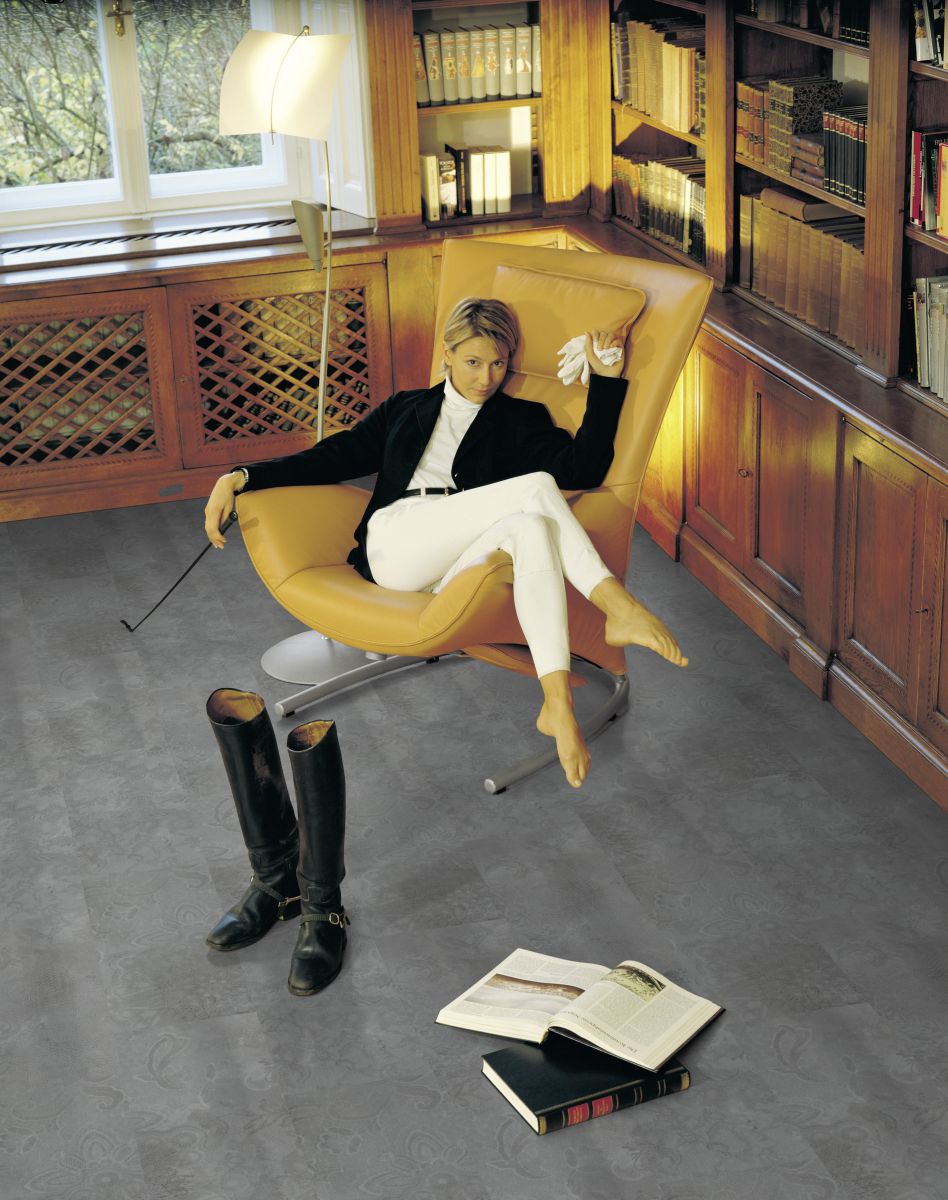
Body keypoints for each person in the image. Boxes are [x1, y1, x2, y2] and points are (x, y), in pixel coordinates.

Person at [204, 298, 687, 789]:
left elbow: (583, 469)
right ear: (448, 354)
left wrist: (606, 380)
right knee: (536, 488)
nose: (486, 377)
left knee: (531, 527)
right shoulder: (406, 408)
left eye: (498, 363)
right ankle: (617, 606)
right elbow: (334, 455)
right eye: (473, 361)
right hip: (397, 542)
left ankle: (556, 701)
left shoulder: (520, 418)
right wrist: (241, 476)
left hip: (455, 567)